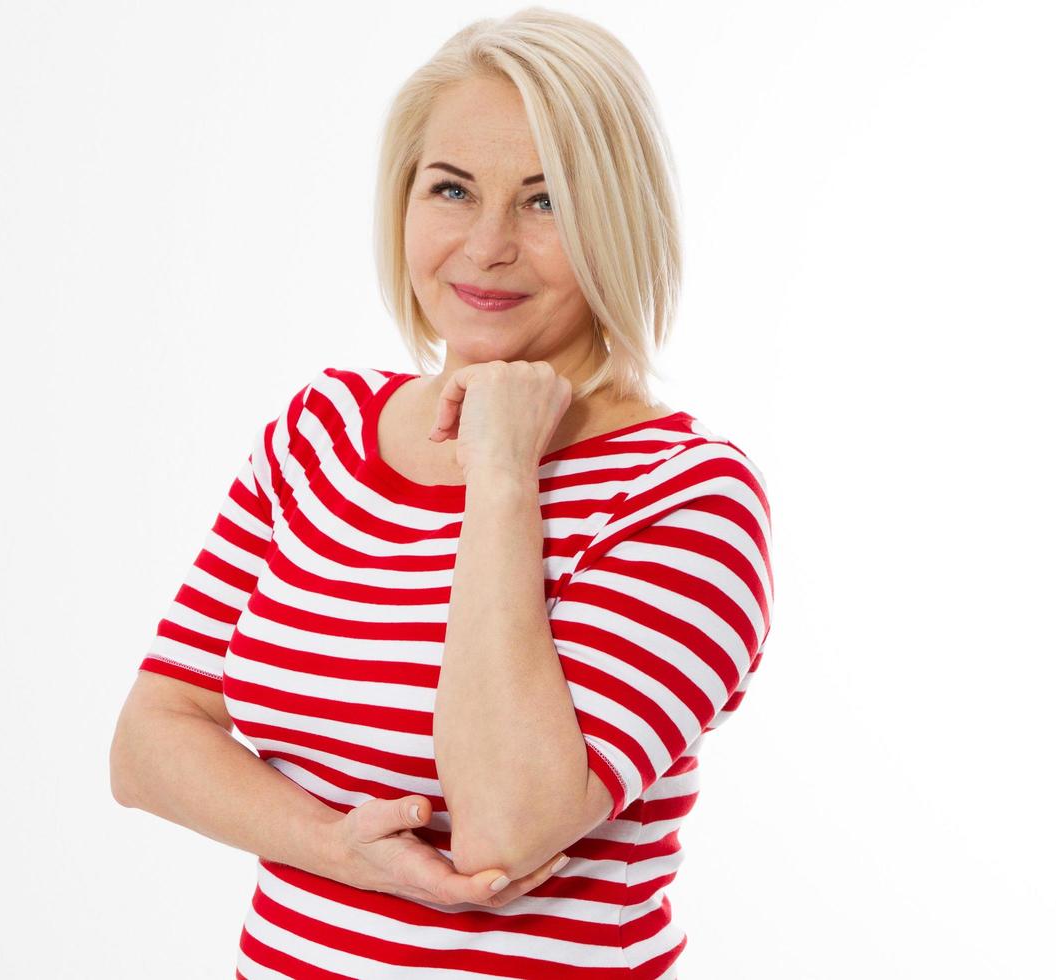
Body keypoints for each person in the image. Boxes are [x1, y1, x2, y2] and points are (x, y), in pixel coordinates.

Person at [110, 8, 773, 978]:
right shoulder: (322, 431)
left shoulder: (686, 497)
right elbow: (149, 739)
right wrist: (337, 846)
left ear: (618, 217)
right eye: (452, 189)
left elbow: (503, 830)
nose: (488, 244)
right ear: (402, 201)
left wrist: (503, 476)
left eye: (547, 201)